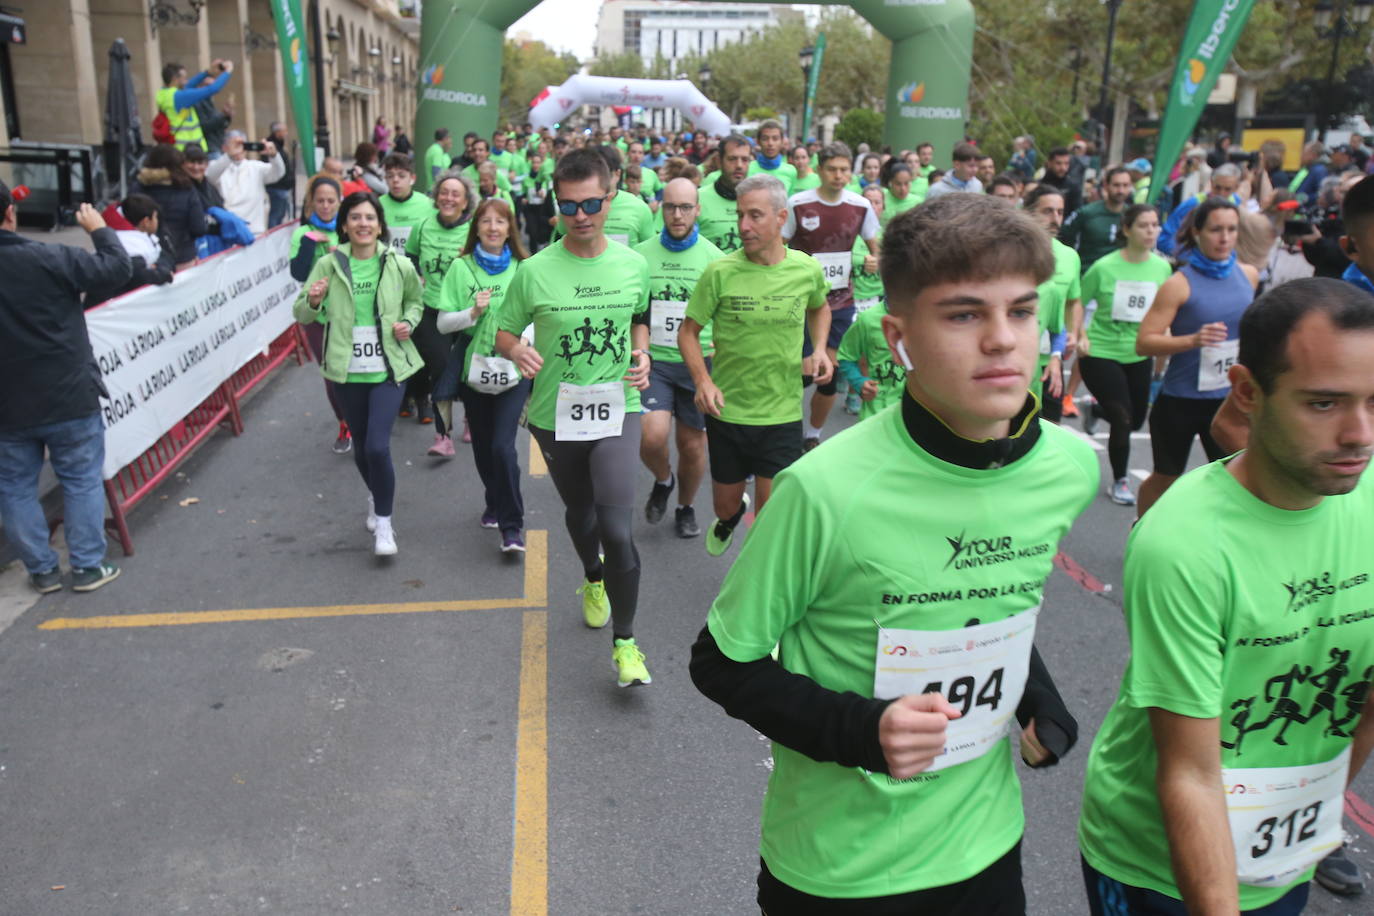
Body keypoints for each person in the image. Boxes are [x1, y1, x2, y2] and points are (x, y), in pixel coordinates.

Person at [690, 192, 1095, 912]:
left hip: (985, 848)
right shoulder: (822, 490)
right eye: (966, 314)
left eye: (1022, 311)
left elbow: (991, 602)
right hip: (839, 867)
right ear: (898, 336)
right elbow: (720, 662)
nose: (1003, 339)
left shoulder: (1069, 468)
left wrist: (1038, 698)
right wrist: (863, 731)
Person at [1079, 276, 1374, 915]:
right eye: (1324, 404)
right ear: (1248, 391)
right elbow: (1189, 771)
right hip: (1155, 866)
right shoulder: (1183, 544)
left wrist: (1311, 810)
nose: (1359, 434)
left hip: (1283, 853)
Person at [495, 148, 654, 688]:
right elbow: (504, 331)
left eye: (591, 203)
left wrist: (643, 353)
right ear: (556, 207)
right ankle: (592, 578)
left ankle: (627, 645)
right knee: (581, 514)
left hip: (618, 407)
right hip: (555, 415)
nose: (581, 215)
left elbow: (638, 318)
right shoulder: (535, 270)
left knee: (616, 525)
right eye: (569, 206)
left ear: (611, 198)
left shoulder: (634, 265)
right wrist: (517, 352)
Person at [679, 174, 831, 556]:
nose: (744, 226)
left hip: (780, 413)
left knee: (770, 515)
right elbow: (688, 332)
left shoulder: (805, 269)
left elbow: (820, 306)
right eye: (740, 215)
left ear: (781, 218)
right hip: (728, 411)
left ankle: (752, 588)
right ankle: (731, 517)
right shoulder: (720, 272)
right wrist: (702, 381)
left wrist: (821, 349)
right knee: (725, 505)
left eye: (755, 216)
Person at [0, 193, 130, 593]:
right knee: (80, 479)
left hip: (8, 403)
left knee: (14, 486)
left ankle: (41, 570)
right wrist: (100, 230)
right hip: (68, 393)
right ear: (10, 212)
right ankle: (88, 566)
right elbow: (116, 268)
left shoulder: (47, 256)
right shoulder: (49, 257)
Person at [293, 191, 424, 556]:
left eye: (369, 218)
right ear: (345, 225)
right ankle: (376, 493)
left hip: (388, 368)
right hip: (347, 371)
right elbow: (301, 313)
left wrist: (408, 322)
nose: (363, 224)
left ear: (380, 225)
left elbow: (416, 300)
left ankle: (384, 523)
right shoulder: (328, 264)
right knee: (363, 450)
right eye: (355, 218)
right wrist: (315, 300)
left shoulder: (397, 263)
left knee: (378, 447)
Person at [1135, 197, 1259, 517]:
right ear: (1197, 232)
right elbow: (1144, 343)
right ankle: (1142, 528)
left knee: (1241, 476)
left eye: (1232, 230)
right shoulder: (1178, 284)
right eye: (1216, 229)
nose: (1225, 238)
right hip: (1180, 400)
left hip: (1229, 400)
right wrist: (1192, 340)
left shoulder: (1249, 275)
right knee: (1166, 477)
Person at [436, 197, 531, 552]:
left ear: (510, 229)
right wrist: (472, 313)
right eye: (486, 221)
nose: (493, 228)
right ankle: (494, 498)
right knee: (483, 450)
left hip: (513, 370)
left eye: (500, 222)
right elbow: (445, 323)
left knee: (503, 448)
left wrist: (526, 339)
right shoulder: (461, 268)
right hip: (474, 371)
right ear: (476, 227)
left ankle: (512, 525)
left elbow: (538, 316)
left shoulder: (524, 267)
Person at [635, 177, 726, 539]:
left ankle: (685, 507)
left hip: (698, 363)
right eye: (670, 206)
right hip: (654, 360)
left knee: (692, 446)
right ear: (661, 207)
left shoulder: (715, 259)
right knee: (652, 436)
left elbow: (726, 313)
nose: (677, 214)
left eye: (685, 207)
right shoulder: (640, 256)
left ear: (697, 210)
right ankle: (663, 479)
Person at [783, 141, 881, 451]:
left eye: (843, 170)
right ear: (820, 170)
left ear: (850, 172)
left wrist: (874, 260)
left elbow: (875, 248)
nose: (838, 175)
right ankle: (784, 431)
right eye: (832, 169)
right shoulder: (798, 203)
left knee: (830, 375)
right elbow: (779, 247)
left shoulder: (860, 205)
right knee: (799, 375)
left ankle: (813, 434)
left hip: (841, 301)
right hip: (800, 302)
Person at [1078, 204, 1173, 506]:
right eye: (1143, 225)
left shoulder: (1162, 268)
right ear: (1126, 229)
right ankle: (1120, 480)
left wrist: (1164, 337)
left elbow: (1163, 309)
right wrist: (1079, 334)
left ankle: (1095, 410)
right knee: (1122, 417)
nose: (1151, 231)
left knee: (1135, 422)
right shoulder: (1104, 267)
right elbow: (1077, 300)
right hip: (1101, 350)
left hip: (1139, 352)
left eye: (1155, 225)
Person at [404, 169, 475, 441]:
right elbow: (409, 257)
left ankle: (470, 417)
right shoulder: (422, 226)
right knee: (441, 368)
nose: (448, 198)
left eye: (455, 194)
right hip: (432, 308)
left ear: (465, 201)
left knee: (469, 368)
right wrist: (416, 278)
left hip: (468, 312)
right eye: (443, 192)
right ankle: (442, 433)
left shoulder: (473, 229)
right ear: (435, 197)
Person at [289, 175, 350, 454]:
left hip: (351, 313)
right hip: (317, 317)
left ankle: (362, 419)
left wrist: (341, 254)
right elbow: (298, 273)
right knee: (332, 373)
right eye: (320, 201)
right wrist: (312, 244)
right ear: (311, 203)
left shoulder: (350, 229)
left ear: (340, 203)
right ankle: (344, 421)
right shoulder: (303, 234)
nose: (325, 206)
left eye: (331, 201)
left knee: (354, 370)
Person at [836, 186, 903, 420]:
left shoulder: (889, 240)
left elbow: (899, 270)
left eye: (877, 202)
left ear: (883, 207)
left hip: (877, 298)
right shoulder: (849, 236)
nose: (873, 206)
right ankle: (858, 387)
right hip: (852, 300)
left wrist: (880, 261)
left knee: (871, 351)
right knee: (862, 349)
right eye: (868, 202)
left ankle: (858, 390)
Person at [1023, 185, 1082, 424]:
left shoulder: (1070, 256)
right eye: (1047, 211)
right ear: (1028, 213)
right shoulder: (1009, 255)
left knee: (1051, 433)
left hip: (1049, 361)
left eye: (1060, 212)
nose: (1055, 219)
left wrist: (1075, 334)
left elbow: (1073, 301)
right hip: (1015, 363)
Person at [86, 193, 175, 307]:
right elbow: (139, 277)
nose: (157, 221)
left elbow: (165, 257)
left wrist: (159, 267)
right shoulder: (128, 243)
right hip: (110, 308)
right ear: (146, 222)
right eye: (155, 217)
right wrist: (162, 274)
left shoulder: (136, 237)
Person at [133, 144, 206, 271]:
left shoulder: (137, 188)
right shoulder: (186, 189)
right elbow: (198, 228)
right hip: (182, 257)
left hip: (148, 259)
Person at [207, 130, 285, 236]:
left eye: (242, 145)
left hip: (255, 231)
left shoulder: (256, 167)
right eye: (235, 145)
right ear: (224, 148)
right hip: (230, 231)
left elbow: (278, 173)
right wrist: (229, 156)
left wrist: (274, 156)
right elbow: (210, 175)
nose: (239, 149)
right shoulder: (218, 166)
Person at [1159, 163, 1243, 257]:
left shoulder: (1237, 204)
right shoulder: (1192, 204)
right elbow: (1164, 239)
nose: (1221, 193)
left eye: (1227, 189)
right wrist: (1192, 257)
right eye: (1217, 187)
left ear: (1236, 187)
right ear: (1211, 182)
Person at [1061, 165, 1136, 270]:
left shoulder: (1133, 216)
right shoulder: (1086, 213)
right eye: (1116, 185)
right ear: (1106, 185)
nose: (1121, 190)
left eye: (1125, 185)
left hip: (1120, 277)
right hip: (1087, 273)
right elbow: (1064, 239)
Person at [155, 59, 232, 150]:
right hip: (188, 148)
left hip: (179, 147)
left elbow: (190, 85)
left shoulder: (165, 94)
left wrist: (208, 72)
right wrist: (227, 71)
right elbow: (212, 89)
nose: (187, 81)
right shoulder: (181, 96)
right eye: (184, 78)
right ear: (175, 79)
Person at [696, 134, 752, 254]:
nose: (739, 165)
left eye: (745, 159)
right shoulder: (697, 199)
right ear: (719, 161)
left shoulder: (760, 200)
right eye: (732, 159)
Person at [377, 152, 434, 255]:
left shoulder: (428, 204)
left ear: (412, 178)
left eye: (401, 176)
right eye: (390, 176)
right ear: (385, 179)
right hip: (386, 266)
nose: (395, 180)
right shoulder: (376, 205)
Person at [265, 121, 295, 229]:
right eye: (284, 131)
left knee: (280, 213)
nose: (286, 134)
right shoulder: (271, 146)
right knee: (276, 214)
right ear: (277, 132)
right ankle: (273, 234)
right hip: (278, 186)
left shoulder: (279, 145)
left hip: (282, 185)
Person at [1039, 146, 1084, 216]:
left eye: (1066, 163)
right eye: (1058, 163)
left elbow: (1078, 213)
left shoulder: (1073, 186)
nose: (1063, 168)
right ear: (1049, 163)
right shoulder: (1039, 185)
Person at [882, 163, 924, 228]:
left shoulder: (918, 202)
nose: (903, 188)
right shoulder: (881, 197)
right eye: (898, 184)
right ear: (890, 182)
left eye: (906, 183)